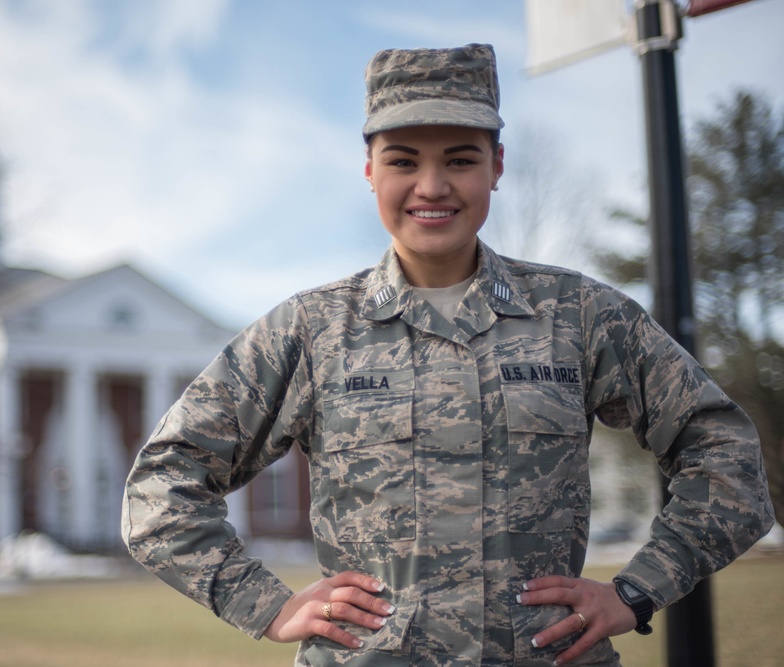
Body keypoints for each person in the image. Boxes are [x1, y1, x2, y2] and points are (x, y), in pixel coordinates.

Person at [121, 44, 774, 666]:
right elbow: (161, 484)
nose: (432, 186)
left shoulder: (579, 315)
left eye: (460, 159)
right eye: (404, 160)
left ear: (497, 165)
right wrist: (262, 604)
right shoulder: (311, 329)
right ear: (370, 169)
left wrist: (639, 588)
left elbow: (727, 454)